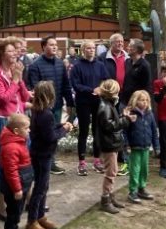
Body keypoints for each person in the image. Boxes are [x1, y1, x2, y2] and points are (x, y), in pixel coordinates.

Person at [27, 81, 73, 229]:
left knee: (43, 187)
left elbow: (48, 129)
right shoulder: (45, 114)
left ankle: (40, 216)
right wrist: (65, 130)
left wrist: (60, 125)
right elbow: (51, 137)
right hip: (42, 155)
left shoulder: (39, 111)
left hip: (40, 153)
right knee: (39, 188)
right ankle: (32, 220)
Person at [0, 38, 30, 193]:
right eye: (10, 51)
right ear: (1, 54)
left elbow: (25, 97)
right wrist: (15, 81)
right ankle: (2, 196)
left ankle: (21, 191)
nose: (15, 53)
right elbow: (3, 99)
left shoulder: (14, 70)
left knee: (23, 159)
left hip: (21, 120)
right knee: (4, 160)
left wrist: (20, 77)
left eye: (15, 50)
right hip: (4, 120)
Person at [25, 37, 75, 174]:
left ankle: (51, 162)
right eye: (51, 45)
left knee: (54, 134)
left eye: (56, 45)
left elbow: (66, 84)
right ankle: (40, 161)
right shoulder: (35, 65)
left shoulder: (60, 64)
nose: (54, 47)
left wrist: (70, 102)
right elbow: (34, 87)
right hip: (42, 108)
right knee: (42, 135)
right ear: (43, 47)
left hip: (57, 104)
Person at [0, 113, 34, 229]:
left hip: (22, 183)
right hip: (15, 188)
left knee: (17, 213)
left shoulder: (19, 141)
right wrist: (17, 189)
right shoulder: (11, 147)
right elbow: (11, 171)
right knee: (13, 214)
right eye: (27, 128)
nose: (29, 131)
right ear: (17, 131)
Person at [70, 41, 106, 175]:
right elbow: (75, 85)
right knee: (84, 131)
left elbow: (106, 80)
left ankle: (97, 161)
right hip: (83, 102)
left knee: (97, 131)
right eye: (88, 48)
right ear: (83, 50)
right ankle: (82, 163)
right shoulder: (77, 66)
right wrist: (92, 90)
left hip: (98, 102)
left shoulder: (100, 65)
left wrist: (102, 89)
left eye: (93, 48)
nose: (91, 50)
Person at [94, 80, 126, 214]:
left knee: (114, 170)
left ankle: (110, 196)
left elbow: (112, 122)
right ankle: (105, 199)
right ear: (113, 93)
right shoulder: (105, 107)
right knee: (111, 172)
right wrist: (126, 120)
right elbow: (109, 126)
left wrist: (123, 117)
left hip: (112, 142)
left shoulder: (108, 104)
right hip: (109, 144)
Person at [101, 34, 129, 175]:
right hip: (110, 97)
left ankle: (123, 159)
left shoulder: (127, 58)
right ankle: (113, 159)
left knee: (121, 127)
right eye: (117, 42)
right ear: (111, 43)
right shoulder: (103, 58)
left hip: (124, 97)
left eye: (121, 41)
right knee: (112, 127)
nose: (120, 44)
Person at [123, 89, 158, 203]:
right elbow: (125, 131)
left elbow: (154, 130)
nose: (144, 102)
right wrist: (127, 145)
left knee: (144, 169)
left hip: (146, 147)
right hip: (134, 147)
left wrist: (156, 146)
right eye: (142, 100)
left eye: (146, 100)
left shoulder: (150, 114)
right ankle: (132, 191)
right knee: (135, 169)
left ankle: (141, 188)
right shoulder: (131, 114)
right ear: (135, 101)